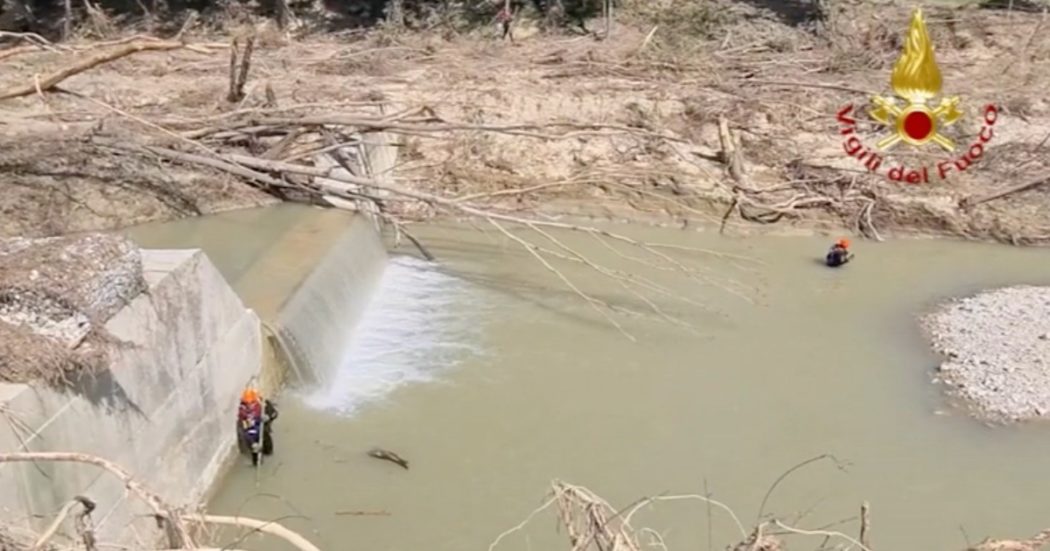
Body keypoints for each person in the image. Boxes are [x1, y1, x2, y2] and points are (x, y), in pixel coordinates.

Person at [237, 388, 278, 465]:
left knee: (269, 450)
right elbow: (247, 430)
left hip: (264, 431)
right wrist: (252, 443)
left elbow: (274, 414)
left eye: (251, 403)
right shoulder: (243, 413)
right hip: (254, 435)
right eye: (247, 403)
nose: (249, 405)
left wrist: (268, 417)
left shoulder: (263, 405)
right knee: (257, 458)